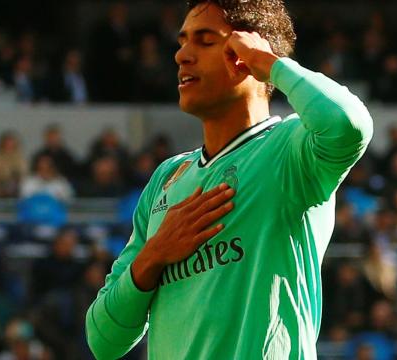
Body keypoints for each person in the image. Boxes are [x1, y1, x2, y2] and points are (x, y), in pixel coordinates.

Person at [85, 0, 373, 359]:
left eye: (204, 41)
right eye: (182, 41)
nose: (181, 56)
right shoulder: (166, 179)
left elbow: (348, 123)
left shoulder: (292, 151)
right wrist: (155, 254)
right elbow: (103, 340)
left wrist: (271, 65)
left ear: (246, 54)